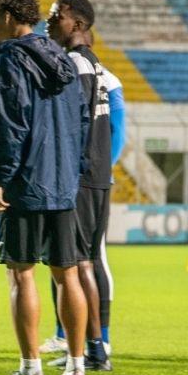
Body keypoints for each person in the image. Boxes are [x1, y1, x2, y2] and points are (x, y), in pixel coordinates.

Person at [0, 0, 90, 375]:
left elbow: (10, 124)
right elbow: (81, 121)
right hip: (63, 183)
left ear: (11, 18)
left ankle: (31, 369)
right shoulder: (62, 58)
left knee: (21, 273)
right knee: (69, 274)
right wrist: (72, 173)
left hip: (26, 182)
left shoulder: (10, 59)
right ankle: (77, 367)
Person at [43, 52, 125, 357]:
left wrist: (101, 169)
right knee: (63, 259)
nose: (49, 25)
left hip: (88, 179)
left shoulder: (104, 79)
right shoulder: (74, 70)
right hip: (73, 178)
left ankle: (100, 339)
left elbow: (117, 134)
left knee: (91, 259)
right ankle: (67, 335)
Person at [46, 0, 112, 372]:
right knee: (85, 261)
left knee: (79, 263)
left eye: (56, 16)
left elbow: (72, 124)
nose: (48, 22)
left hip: (81, 177)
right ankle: (92, 348)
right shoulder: (96, 64)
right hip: (98, 175)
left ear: (76, 24)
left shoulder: (74, 63)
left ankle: (95, 351)